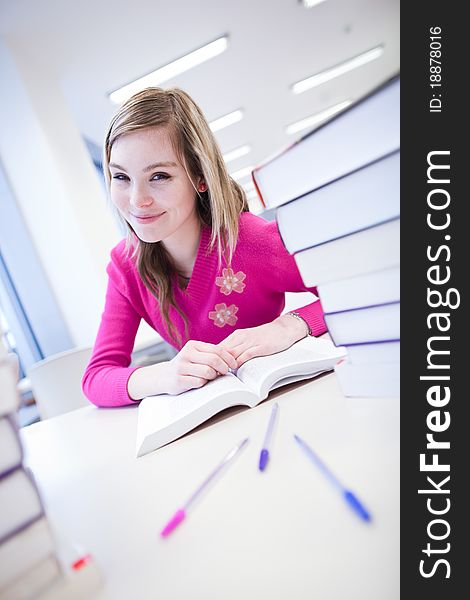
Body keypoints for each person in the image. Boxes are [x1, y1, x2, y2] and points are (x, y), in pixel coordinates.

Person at [82, 87, 327, 407]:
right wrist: (164, 375)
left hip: (295, 399)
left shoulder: (251, 240)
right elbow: (96, 377)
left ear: (200, 176)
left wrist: (289, 325)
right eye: (121, 177)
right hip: (213, 416)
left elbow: (358, 288)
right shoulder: (126, 266)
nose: (137, 201)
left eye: (158, 176)